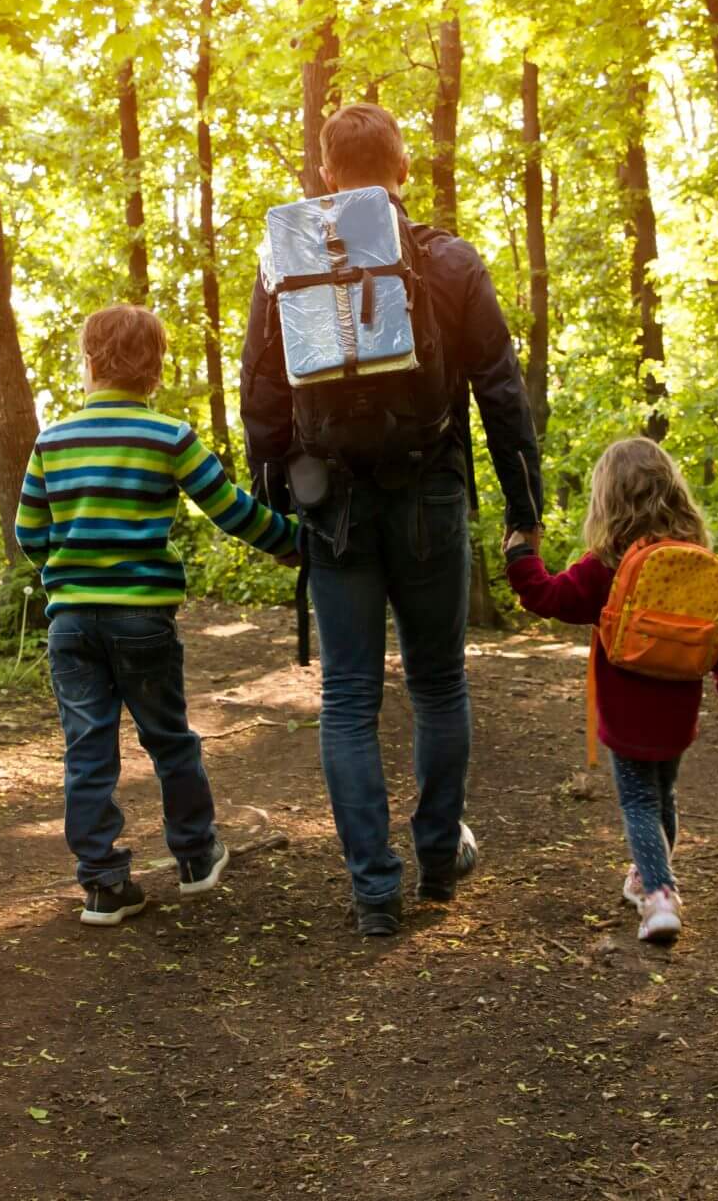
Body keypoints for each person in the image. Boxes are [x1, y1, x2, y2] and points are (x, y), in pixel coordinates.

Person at [241, 103, 545, 937]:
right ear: (403, 170)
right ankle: (438, 867)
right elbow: (501, 392)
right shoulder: (446, 260)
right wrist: (527, 512)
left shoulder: (284, 266)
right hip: (431, 496)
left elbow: (262, 400)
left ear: (328, 175)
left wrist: (279, 506)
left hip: (332, 508)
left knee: (347, 699)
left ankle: (374, 892)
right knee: (439, 682)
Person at [17, 304, 299, 926]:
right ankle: (196, 857)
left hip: (71, 625)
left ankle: (103, 886)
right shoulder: (170, 437)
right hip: (143, 621)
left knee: (87, 750)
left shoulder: (52, 440)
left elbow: (28, 531)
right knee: (170, 738)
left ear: (89, 363)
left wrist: (65, 575)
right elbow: (230, 509)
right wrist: (292, 541)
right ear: (155, 369)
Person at [504, 437, 718, 944]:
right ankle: (645, 876)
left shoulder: (608, 564)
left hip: (627, 706)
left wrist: (521, 556)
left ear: (607, 500)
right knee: (662, 795)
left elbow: (547, 596)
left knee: (637, 801)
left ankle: (660, 895)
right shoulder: (695, 561)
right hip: (679, 704)